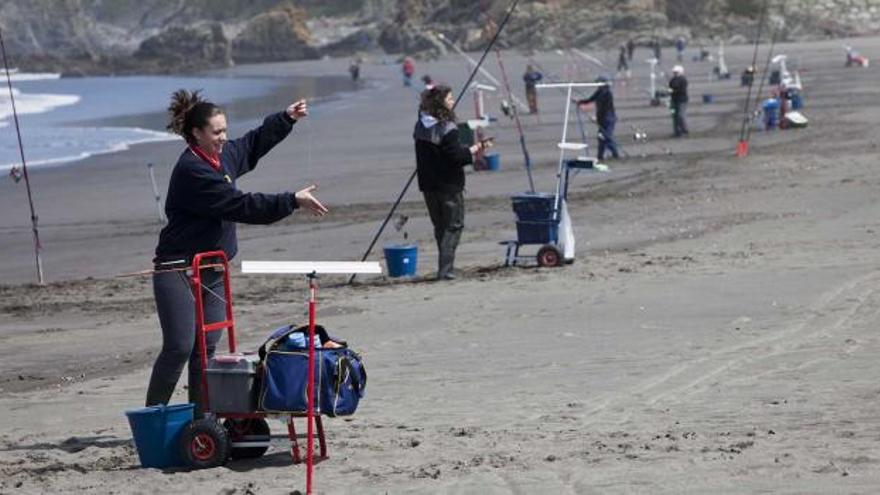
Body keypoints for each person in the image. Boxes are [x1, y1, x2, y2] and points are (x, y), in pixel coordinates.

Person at [145, 89, 329, 415]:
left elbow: (251, 144)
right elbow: (240, 205)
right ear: (196, 134)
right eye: (216, 132)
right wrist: (291, 200)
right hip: (177, 268)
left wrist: (286, 119)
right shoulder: (193, 171)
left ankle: (201, 418)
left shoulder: (221, 155)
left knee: (207, 349)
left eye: (224, 130)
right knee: (179, 346)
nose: (223, 137)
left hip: (212, 268)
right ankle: (152, 417)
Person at [414, 85, 492, 280]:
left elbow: (442, 154)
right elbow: (456, 158)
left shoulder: (419, 126)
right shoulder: (447, 128)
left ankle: (445, 267)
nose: (452, 102)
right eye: (449, 99)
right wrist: (475, 149)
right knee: (454, 225)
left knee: (440, 226)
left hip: (428, 185)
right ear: (440, 103)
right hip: (448, 185)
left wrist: (473, 148)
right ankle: (446, 269)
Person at [576, 76, 620, 161]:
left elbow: (606, 107)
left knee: (606, 137)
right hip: (602, 118)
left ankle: (616, 155)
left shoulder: (608, 94)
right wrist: (579, 101)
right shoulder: (599, 92)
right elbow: (590, 99)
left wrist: (596, 117)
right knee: (601, 138)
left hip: (608, 118)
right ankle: (600, 157)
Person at [668, 65, 689, 137]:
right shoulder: (672, 80)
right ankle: (677, 132)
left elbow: (682, 90)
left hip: (682, 101)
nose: (675, 73)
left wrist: (673, 91)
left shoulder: (683, 80)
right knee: (674, 116)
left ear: (681, 72)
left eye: (676, 72)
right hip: (673, 101)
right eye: (674, 72)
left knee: (680, 115)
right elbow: (670, 88)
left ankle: (684, 130)